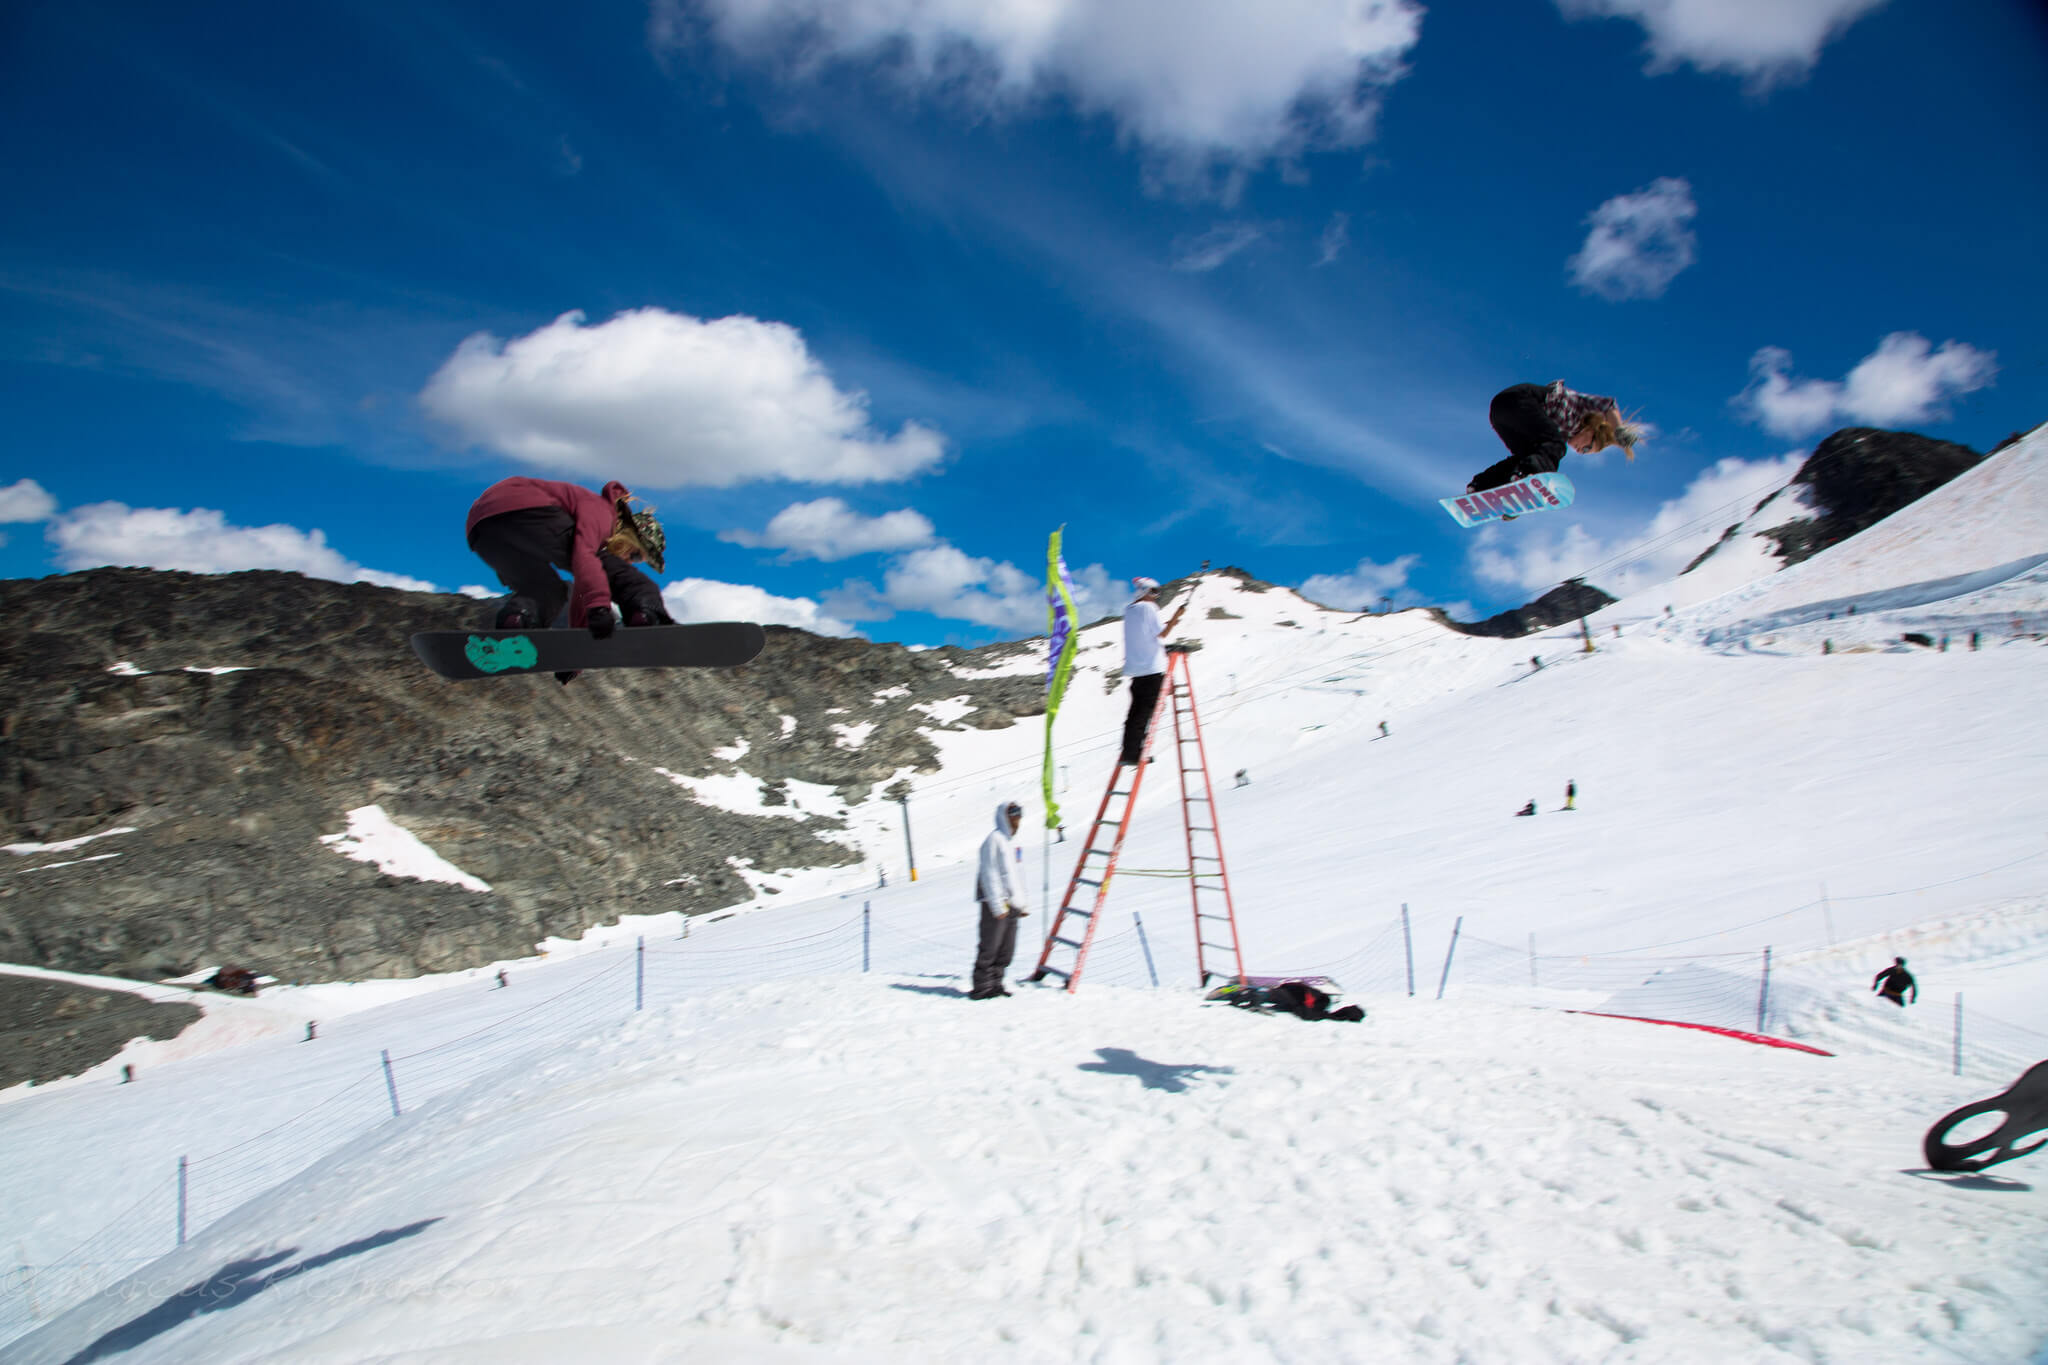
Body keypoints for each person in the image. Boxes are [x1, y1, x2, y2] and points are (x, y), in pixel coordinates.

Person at [465, 476, 674, 683]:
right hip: (526, 508)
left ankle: (516, 624)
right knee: (625, 578)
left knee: (545, 590)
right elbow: (584, 558)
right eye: (635, 554)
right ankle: (646, 614)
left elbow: (583, 593)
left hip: (482, 530)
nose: (630, 560)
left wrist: (575, 657)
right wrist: (600, 607)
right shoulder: (601, 511)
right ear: (628, 529)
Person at [1466, 381, 1644, 506]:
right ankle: (1528, 476)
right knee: (1555, 445)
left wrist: (1513, 503)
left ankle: (1482, 487)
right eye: (1587, 448)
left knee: (1527, 456)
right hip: (1520, 400)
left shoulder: (1558, 432)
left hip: (1500, 413)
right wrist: (1618, 430)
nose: (1580, 451)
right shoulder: (1583, 411)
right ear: (1591, 432)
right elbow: (1609, 404)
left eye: (1584, 452)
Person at [1119, 578, 1188, 766]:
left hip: (1136, 671)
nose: (1157, 596)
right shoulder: (1149, 609)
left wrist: (1169, 622)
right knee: (1145, 712)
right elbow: (1163, 634)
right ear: (1145, 591)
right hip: (1152, 668)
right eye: (1154, 592)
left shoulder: (1129, 611)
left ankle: (1128, 750)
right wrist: (1176, 616)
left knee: (1135, 712)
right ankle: (1134, 754)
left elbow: (1147, 632)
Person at [970, 801, 1029, 999]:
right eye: (1012, 815)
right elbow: (989, 873)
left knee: (1006, 948)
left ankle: (996, 983)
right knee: (990, 945)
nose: (1016, 820)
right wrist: (996, 904)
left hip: (1012, 904)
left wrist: (1021, 902)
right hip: (995, 902)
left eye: (1019, 815)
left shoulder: (1012, 842)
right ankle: (982, 987)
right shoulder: (994, 840)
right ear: (1004, 816)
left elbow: (1018, 874)